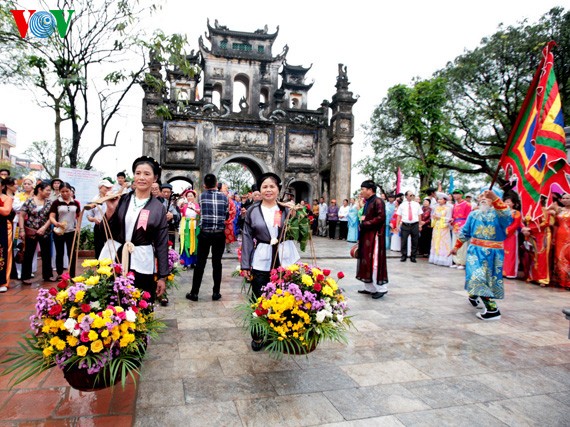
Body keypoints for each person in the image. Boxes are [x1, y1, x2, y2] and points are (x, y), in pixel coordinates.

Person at [241, 172, 300, 350]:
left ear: (278, 189)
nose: (268, 190)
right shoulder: (252, 211)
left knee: (286, 296)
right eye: (264, 186)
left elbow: (300, 229)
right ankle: (258, 336)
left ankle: (283, 335)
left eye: (272, 186)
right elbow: (246, 237)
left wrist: (296, 212)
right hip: (262, 257)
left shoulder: (286, 209)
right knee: (260, 297)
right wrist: (246, 264)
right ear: (259, 189)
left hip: (285, 256)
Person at [103, 156, 168, 302]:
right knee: (114, 304)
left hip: (142, 260)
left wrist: (162, 276)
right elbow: (105, 232)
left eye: (147, 174)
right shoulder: (122, 199)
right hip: (117, 257)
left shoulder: (158, 208)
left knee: (139, 303)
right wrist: (110, 211)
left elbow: (162, 243)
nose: (141, 178)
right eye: (138, 173)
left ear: (155, 178)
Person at [450, 189, 512, 321]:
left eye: (487, 196)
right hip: (475, 252)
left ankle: (475, 297)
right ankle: (492, 309)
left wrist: (494, 197)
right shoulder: (474, 214)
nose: (484, 198)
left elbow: (507, 215)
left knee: (488, 280)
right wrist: (456, 247)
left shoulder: (499, 215)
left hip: (494, 253)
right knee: (476, 277)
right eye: (482, 196)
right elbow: (465, 232)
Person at [187, 173, 228, 301]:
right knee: (217, 263)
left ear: (204, 185)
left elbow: (204, 209)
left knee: (200, 263)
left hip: (205, 233)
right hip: (219, 234)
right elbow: (225, 215)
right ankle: (216, 292)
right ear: (217, 184)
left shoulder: (202, 196)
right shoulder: (224, 198)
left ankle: (194, 293)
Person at [356, 180, 389, 299]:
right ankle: (369, 287)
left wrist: (366, 223)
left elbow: (381, 217)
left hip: (375, 235)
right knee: (366, 260)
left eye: (363, 189)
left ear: (370, 190)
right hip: (366, 235)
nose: (362, 192)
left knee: (374, 261)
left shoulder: (378, 201)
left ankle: (381, 288)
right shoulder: (368, 202)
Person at [18, 182, 55, 284]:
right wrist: (22, 230)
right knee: (28, 254)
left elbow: (51, 217)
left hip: (45, 232)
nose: (49, 192)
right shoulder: (29, 201)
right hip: (31, 232)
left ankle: (48, 275)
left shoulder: (49, 202)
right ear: (39, 189)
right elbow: (21, 216)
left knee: (47, 254)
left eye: (49, 190)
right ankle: (25, 276)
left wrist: (44, 228)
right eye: (47, 190)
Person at [49, 182, 80, 278]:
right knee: (60, 253)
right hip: (59, 232)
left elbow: (78, 216)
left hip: (71, 231)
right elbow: (51, 216)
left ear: (71, 191)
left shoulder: (75, 203)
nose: (65, 193)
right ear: (59, 191)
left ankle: (72, 274)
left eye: (67, 191)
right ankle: (59, 273)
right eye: (63, 191)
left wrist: (78, 227)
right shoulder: (56, 202)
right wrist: (56, 223)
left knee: (72, 253)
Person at [521, 200, 553, 287]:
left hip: (543, 235)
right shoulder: (529, 209)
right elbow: (524, 221)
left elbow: (546, 223)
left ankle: (543, 278)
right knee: (532, 255)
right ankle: (533, 276)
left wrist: (530, 229)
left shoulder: (545, 210)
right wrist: (525, 229)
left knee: (542, 256)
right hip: (531, 235)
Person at [86, 179, 114, 258]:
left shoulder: (112, 198)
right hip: (98, 226)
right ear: (100, 187)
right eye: (106, 187)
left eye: (109, 188)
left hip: (110, 226)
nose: (108, 189)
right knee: (99, 247)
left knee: (110, 247)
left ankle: (111, 267)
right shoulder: (94, 200)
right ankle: (99, 267)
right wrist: (94, 219)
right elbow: (89, 216)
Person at [395, 190, 423, 263]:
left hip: (415, 224)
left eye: (413, 195)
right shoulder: (402, 205)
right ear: (406, 196)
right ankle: (404, 256)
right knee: (403, 241)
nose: (412, 196)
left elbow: (419, 215)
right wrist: (397, 225)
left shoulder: (416, 204)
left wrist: (420, 225)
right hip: (405, 224)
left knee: (415, 241)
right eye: (410, 195)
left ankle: (413, 256)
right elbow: (399, 216)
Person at [178, 189, 200, 269]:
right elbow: (179, 211)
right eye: (188, 196)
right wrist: (180, 206)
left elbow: (200, 214)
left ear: (194, 197)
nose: (190, 197)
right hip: (186, 226)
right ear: (186, 197)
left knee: (194, 244)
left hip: (194, 227)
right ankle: (185, 263)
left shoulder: (197, 205)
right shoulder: (184, 206)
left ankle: (193, 262)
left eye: (191, 196)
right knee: (185, 244)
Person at [0, 178, 15, 292]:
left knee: (3, 253)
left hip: (3, 228)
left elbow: (6, 211)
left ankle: (3, 282)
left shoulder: (6, 198)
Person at [450, 189, 472, 269]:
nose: (454, 195)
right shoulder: (455, 204)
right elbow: (453, 215)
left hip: (463, 225)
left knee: (462, 244)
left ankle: (462, 262)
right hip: (455, 225)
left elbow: (468, 217)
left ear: (461, 195)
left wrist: (466, 227)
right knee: (455, 243)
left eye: (456, 194)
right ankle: (456, 261)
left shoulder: (467, 204)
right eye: (454, 194)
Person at [429, 194, 452, 266]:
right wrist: (434, 217)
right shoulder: (436, 208)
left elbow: (449, 218)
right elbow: (432, 216)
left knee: (443, 242)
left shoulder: (448, 208)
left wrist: (440, 218)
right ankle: (435, 257)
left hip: (443, 227)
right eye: (438, 199)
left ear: (445, 200)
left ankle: (443, 259)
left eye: (441, 199)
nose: (439, 201)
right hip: (436, 226)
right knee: (435, 241)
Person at [552, 193, 570, 289]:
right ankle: (561, 281)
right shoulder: (559, 210)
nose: (565, 200)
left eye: (568, 198)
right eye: (563, 198)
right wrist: (554, 237)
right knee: (559, 257)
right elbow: (555, 224)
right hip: (560, 235)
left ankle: (568, 282)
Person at [503, 195, 522, 279]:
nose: (506, 203)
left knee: (511, 253)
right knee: (502, 253)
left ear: (513, 203)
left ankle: (510, 272)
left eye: (508, 202)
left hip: (512, 235)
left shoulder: (516, 213)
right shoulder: (501, 212)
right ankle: (502, 271)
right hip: (501, 235)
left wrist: (507, 230)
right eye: (505, 201)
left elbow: (516, 224)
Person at [160, 183, 181, 247]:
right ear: (161, 192)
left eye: (168, 192)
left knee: (171, 251)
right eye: (164, 192)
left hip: (170, 231)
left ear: (171, 193)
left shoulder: (174, 204)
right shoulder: (157, 202)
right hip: (159, 231)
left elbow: (179, 216)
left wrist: (173, 216)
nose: (166, 194)